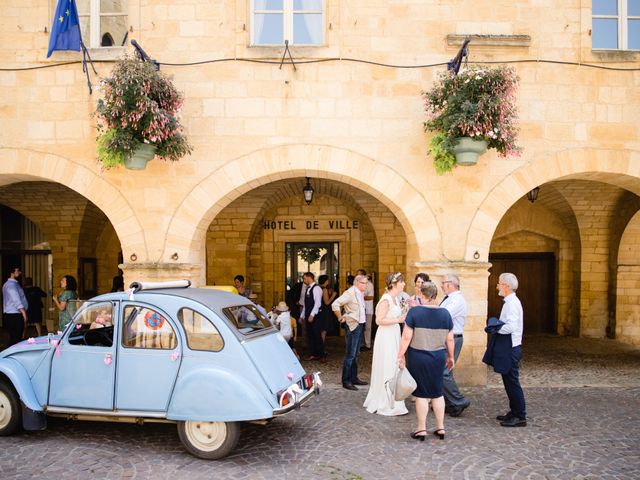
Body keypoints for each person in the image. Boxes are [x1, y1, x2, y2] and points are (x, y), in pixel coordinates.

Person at [398, 281, 454, 440]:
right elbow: (450, 340)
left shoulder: (414, 313)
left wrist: (400, 355)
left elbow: (406, 337)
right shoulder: (445, 314)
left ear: (422, 294)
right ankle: (440, 427)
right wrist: (451, 357)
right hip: (438, 356)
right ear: (436, 295)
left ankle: (421, 429)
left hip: (418, 356)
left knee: (422, 393)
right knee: (437, 392)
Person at [363, 272, 408, 416]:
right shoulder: (386, 300)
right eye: (402, 282)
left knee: (394, 365)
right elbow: (379, 320)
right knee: (388, 365)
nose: (404, 284)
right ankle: (385, 401)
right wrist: (399, 320)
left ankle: (395, 399)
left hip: (394, 333)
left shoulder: (395, 299)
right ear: (394, 284)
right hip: (386, 336)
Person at [493, 272, 527, 427]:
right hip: (509, 347)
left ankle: (520, 416)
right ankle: (514, 412)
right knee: (508, 381)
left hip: (511, 348)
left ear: (506, 286)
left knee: (512, 382)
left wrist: (495, 328)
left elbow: (511, 327)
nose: (497, 286)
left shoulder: (512, 303)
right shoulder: (509, 302)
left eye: (499, 283)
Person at [440, 273, 471, 417]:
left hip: (454, 338)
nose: (441, 286)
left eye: (443, 283)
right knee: (446, 372)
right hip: (447, 338)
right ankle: (450, 403)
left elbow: (444, 315)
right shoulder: (450, 298)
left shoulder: (457, 299)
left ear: (450, 284)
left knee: (443, 372)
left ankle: (459, 400)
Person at [332, 274, 369, 391]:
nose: (366, 285)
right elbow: (335, 304)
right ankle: (346, 380)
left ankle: (354, 378)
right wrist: (340, 317)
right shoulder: (350, 293)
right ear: (358, 283)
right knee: (350, 354)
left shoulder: (360, 293)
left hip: (360, 325)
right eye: (365, 283)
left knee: (356, 354)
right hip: (353, 326)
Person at [300, 272, 325, 361]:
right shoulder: (308, 289)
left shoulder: (316, 288)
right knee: (310, 335)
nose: (304, 280)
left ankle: (321, 355)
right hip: (308, 315)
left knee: (317, 335)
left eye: (304, 278)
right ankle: (314, 354)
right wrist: (302, 315)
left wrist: (312, 315)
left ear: (309, 277)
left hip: (316, 316)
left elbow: (318, 303)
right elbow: (306, 304)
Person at [2, 266, 28, 347]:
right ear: (12, 272)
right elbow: (16, 299)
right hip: (14, 315)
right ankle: (10, 357)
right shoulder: (11, 285)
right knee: (15, 338)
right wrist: (24, 313)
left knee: (15, 337)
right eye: (18, 271)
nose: (19, 272)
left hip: (13, 315)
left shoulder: (12, 284)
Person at [357, 269, 375, 351]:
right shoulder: (357, 284)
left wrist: (360, 297)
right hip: (359, 309)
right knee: (360, 327)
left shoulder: (370, 285)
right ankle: (361, 344)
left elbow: (371, 297)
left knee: (367, 327)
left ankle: (367, 345)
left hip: (368, 309)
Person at [318, 274, 337, 340]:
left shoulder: (318, 288)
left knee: (321, 330)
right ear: (325, 281)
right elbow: (327, 302)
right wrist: (333, 296)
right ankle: (321, 348)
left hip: (320, 310)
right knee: (323, 331)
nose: (328, 281)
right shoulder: (324, 289)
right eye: (328, 280)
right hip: (325, 311)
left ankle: (320, 347)